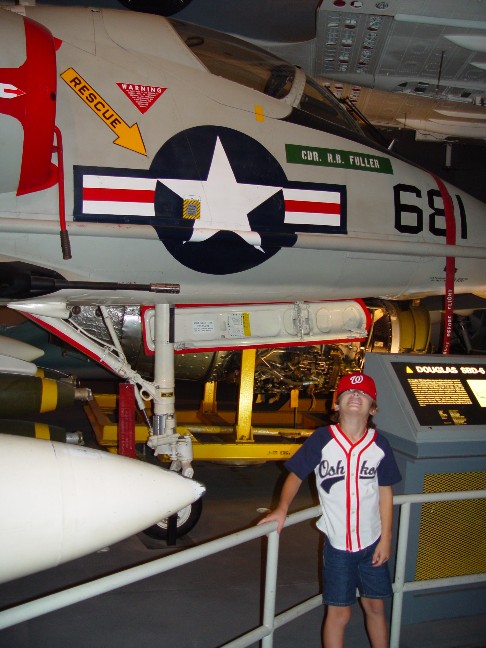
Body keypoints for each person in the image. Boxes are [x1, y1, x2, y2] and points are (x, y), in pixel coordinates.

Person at [258, 372, 401, 648]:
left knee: (375, 607)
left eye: (363, 393)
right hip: (338, 546)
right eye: (349, 392)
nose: (355, 395)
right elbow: (295, 475)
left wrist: (386, 538)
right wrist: (281, 508)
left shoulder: (379, 444)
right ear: (336, 404)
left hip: (372, 542)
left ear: (373, 408)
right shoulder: (322, 438)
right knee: (339, 613)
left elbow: (385, 492)